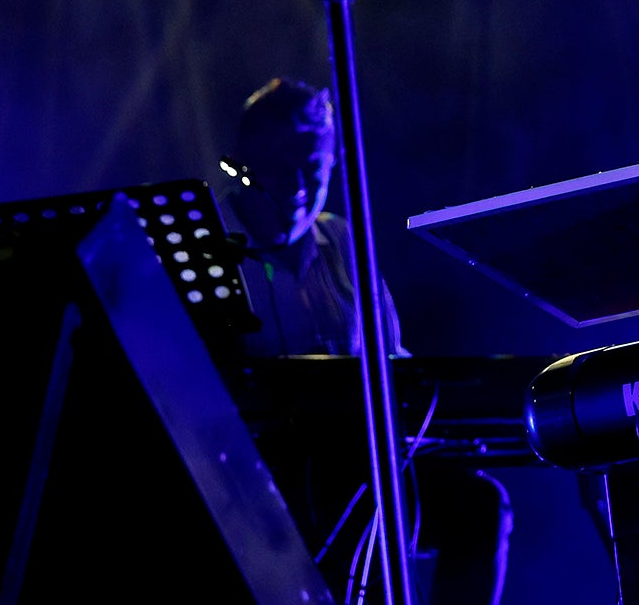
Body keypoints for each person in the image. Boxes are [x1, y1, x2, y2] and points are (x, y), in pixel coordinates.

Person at [217, 76, 513, 605]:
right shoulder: (209, 247)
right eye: (281, 163)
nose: (297, 185)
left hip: (360, 466)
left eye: (313, 166)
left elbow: (394, 363)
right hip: (256, 478)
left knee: (479, 505)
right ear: (242, 160)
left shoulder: (344, 241)